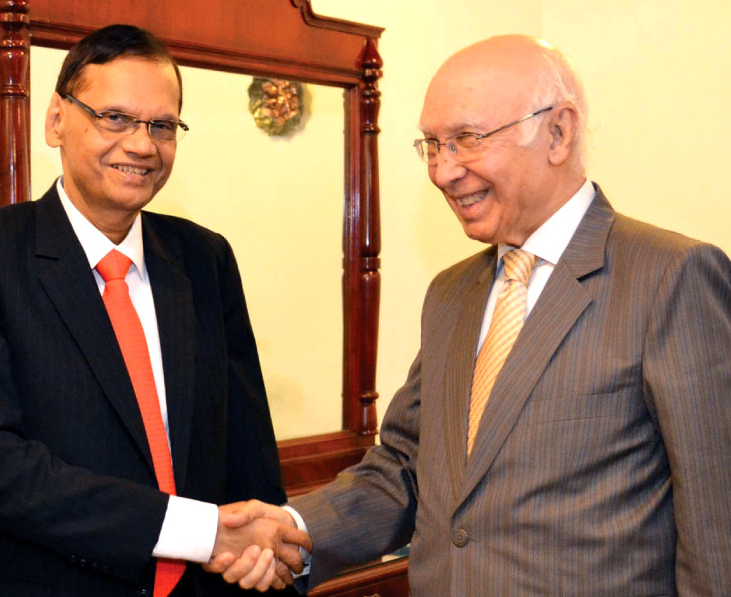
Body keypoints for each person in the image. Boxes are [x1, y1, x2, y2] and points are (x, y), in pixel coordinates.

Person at [207, 34, 731, 595]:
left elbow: (716, 530)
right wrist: (291, 529)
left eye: (466, 140)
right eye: (432, 144)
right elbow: (405, 469)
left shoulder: (670, 277)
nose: (443, 171)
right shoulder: (452, 294)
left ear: (558, 132)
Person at [0, 24, 309, 597]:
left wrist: (269, 556)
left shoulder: (205, 258)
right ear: (57, 119)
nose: (141, 144)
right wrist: (201, 533)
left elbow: (247, 451)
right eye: (115, 118)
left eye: (162, 126)